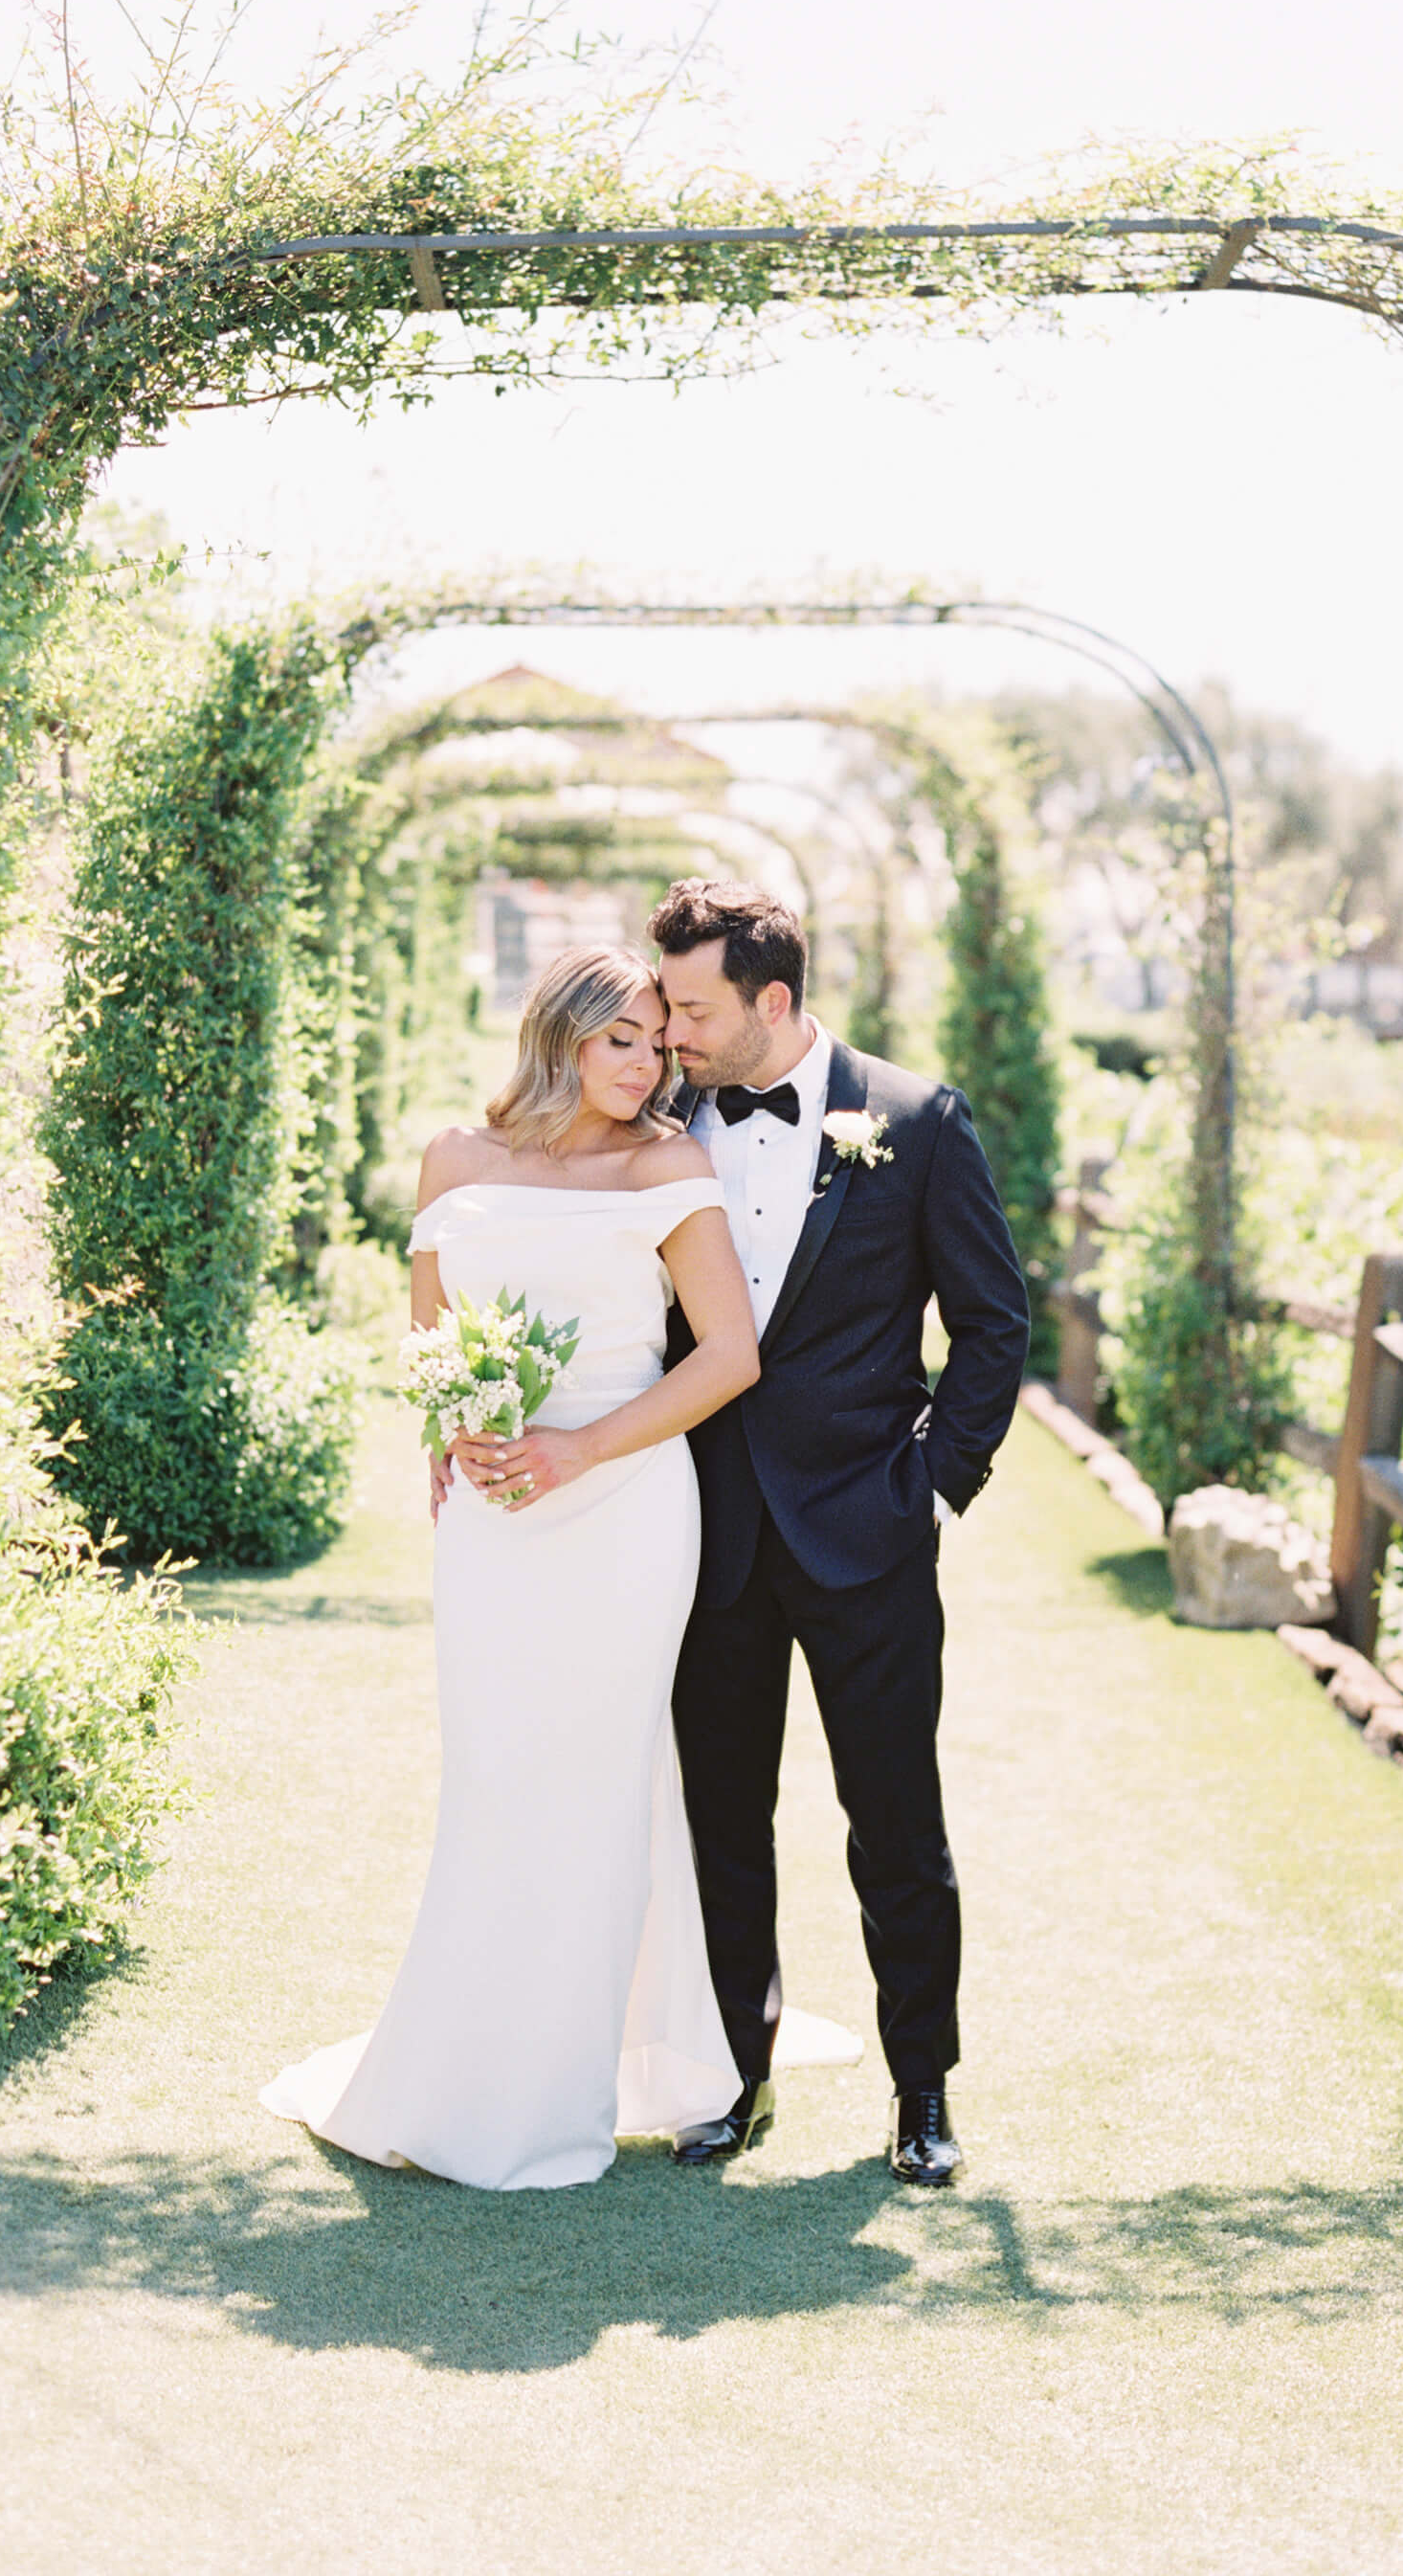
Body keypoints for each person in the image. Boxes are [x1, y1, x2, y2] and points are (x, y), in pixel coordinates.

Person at [260, 947, 761, 2191]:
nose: (649, 1065)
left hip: (628, 1505)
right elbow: (429, 1334)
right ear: (559, 1037)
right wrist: (457, 1433)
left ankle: (569, 2087)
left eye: (658, 1044)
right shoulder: (455, 1161)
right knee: (494, 1781)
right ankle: (456, 2066)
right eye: (623, 1041)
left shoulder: (668, 1164)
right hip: (495, 1522)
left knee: (598, 1786)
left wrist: (578, 1445)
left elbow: (728, 1358)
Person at [649, 878, 1031, 2188]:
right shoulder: (661, 1115)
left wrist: (930, 1483)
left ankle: (920, 2095)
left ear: (773, 1000)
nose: (669, 1030)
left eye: (692, 1008)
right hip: (704, 1532)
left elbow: (992, 1323)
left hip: (867, 1532)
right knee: (719, 1818)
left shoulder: (917, 1123)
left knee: (894, 1822)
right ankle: (730, 2081)